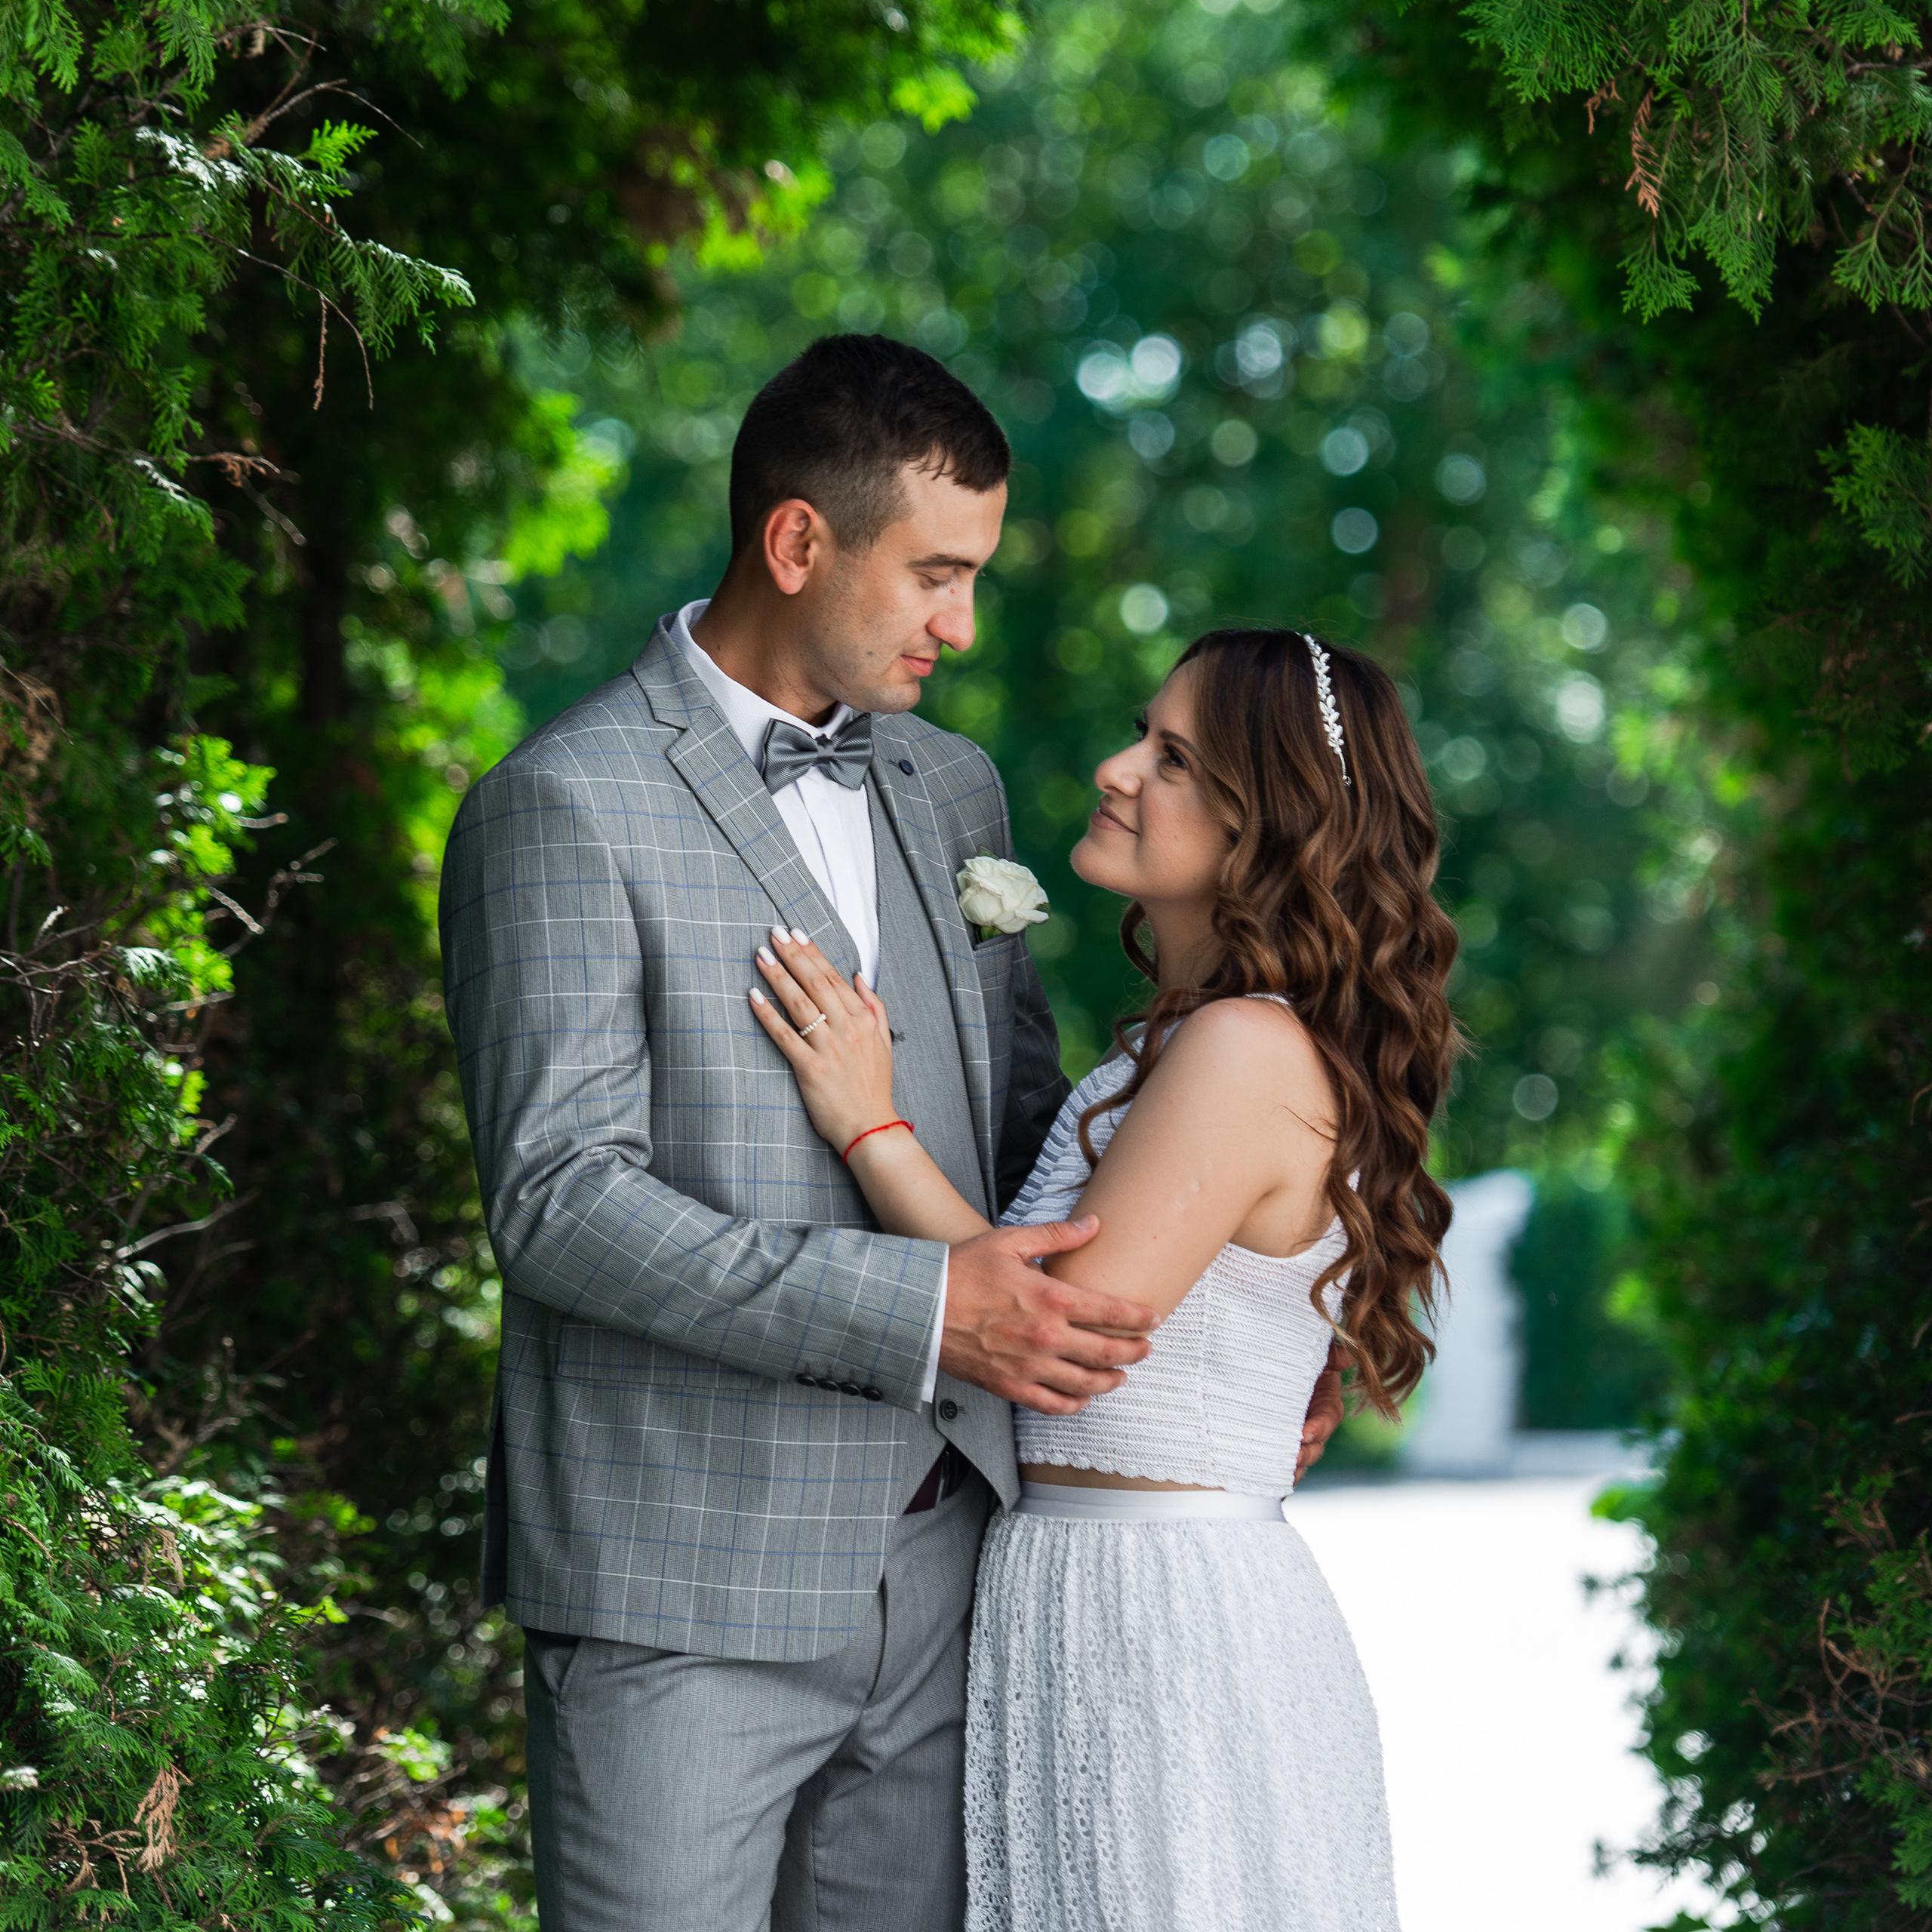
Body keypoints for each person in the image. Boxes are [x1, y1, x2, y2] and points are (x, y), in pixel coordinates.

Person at [439, 335, 1347, 1932]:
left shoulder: (953, 790)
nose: (962, 623)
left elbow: (1026, 1134)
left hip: (959, 1583)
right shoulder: (563, 801)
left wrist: (1242, 1329)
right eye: (936, 573)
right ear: (798, 542)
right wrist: (924, 1309)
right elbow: (559, 1201)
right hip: (681, 1588)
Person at [748, 623, 1462, 1931]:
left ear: (1268, 826)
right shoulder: (1185, 1044)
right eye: (1144, 734)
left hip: (1166, 1629)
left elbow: (1055, 1327)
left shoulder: (1245, 1047)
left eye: (1175, 760)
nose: (1117, 769)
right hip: (1088, 1601)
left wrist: (865, 1119)